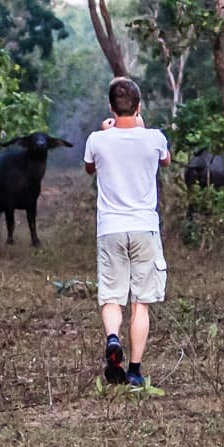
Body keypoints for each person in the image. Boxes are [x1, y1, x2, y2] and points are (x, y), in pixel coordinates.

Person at [83, 77, 170, 387]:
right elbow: (165, 160)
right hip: (144, 228)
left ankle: (111, 339)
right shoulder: (154, 138)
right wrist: (143, 129)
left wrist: (108, 133)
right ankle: (134, 369)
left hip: (111, 230)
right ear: (139, 106)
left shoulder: (97, 140)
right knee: (140, 303)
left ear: (110, 107)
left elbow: (90, 168)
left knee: (111, 297)